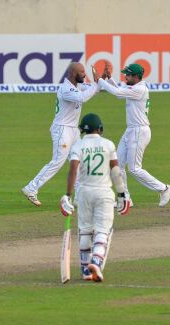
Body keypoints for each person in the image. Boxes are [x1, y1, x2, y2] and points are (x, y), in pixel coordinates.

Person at [60, 113, 131, 282]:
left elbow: (73, 171)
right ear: (100, 129)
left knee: (85, 230)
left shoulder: (78, 145)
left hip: (84, 193)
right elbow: (115, 171)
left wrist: (67, 196)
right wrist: (122, 194)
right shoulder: (108, 144)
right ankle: (96, 262)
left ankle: (86, 270)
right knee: (103, 231)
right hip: (104, 192)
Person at [22, 62, 99, 207]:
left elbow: (94, 90)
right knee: (58, 161)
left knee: (78, 162)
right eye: (82, 72)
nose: (85, 75)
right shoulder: (66, 89)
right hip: (62, 130)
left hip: (73, 130)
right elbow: (83, 98)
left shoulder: (78, 86)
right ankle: (31, 188)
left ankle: (79, 197)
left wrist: (101, 80)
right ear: (73, 74)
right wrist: (96, 84)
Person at [97, 63, 170, 207]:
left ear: (136, 77)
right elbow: (121, 91)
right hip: (131, 130)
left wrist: (100, 80)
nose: (125, 76)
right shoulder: (134, 88)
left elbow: (118, 93)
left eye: (128, 74)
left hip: (139, 131)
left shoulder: (140, 89)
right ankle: (125, 199)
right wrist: (109, 78)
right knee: (117, 165)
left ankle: (164, 188)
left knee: (134, 169)